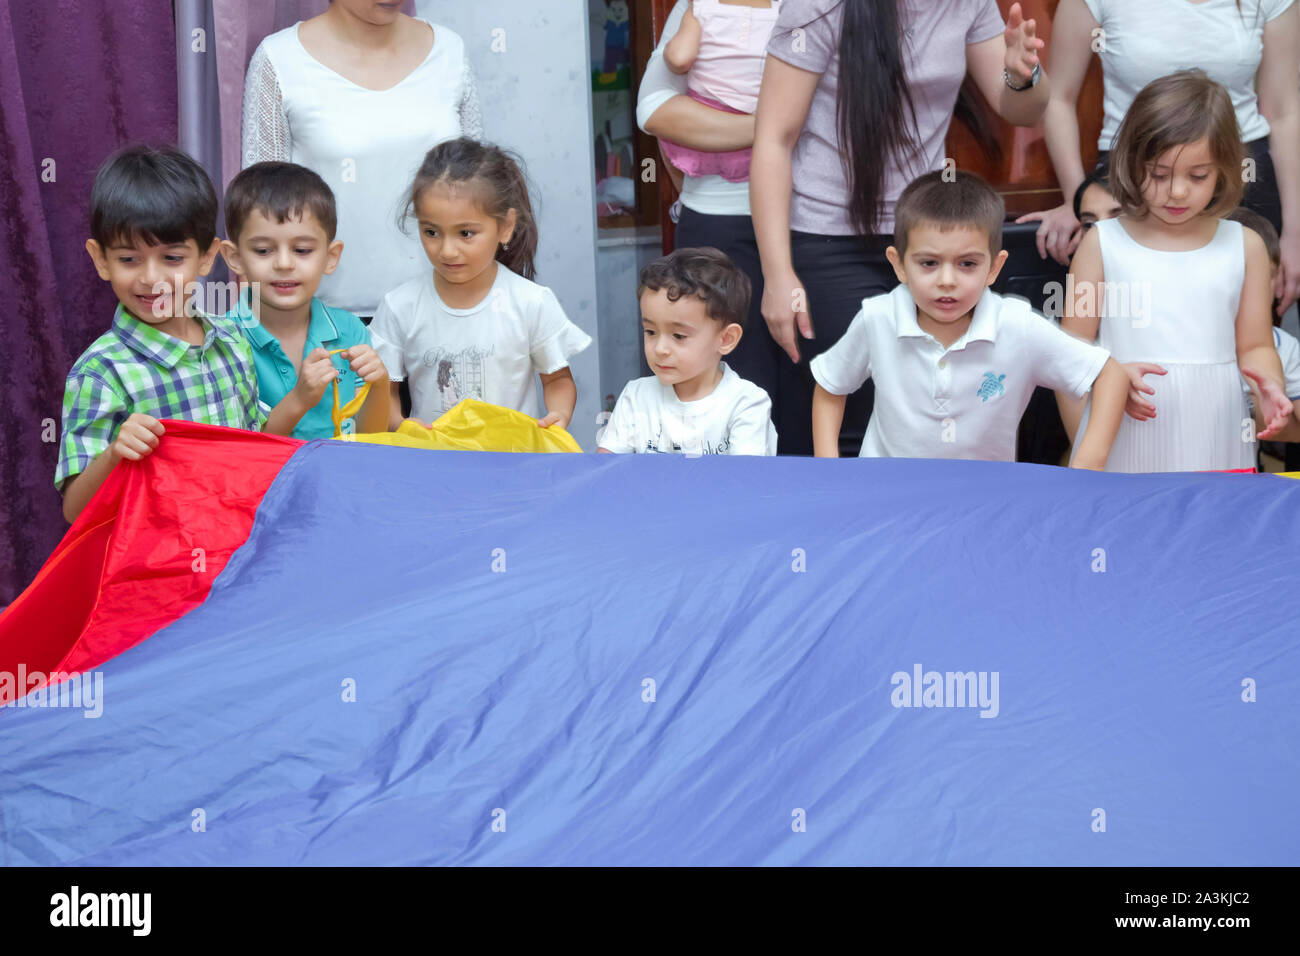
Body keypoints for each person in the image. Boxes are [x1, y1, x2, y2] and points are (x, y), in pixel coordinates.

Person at [752, 0, 1051, 456]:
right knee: (852, 415)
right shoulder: (819, 6)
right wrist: (777, 274)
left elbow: (1022, 110)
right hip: (827, 238)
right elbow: (774, 139)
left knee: (926, 417)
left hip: (924, 238)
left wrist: (1022, 73)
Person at [810, 170, 1126, 467]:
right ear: (900, 264)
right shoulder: (877, 318)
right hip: (888, 499)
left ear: (994, 268)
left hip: (983, 504)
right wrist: (830, 467)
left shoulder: (1018, 325)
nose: (947, 280)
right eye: (929, 263)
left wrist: (1088, 465)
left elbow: (1109, 374)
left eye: (967, 264)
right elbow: (830, 386)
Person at [1061, 71, 1293, 473]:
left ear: (1225, 169)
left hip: (1217, 436)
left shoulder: (1246, 246)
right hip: (1125, 436)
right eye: (1159, 174)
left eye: (1197, 175)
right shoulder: (1101, 243)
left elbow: (1255, 346)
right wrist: (1085, 441)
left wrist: (1268, 386)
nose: (1178, 191)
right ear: (1132, 164)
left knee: (1213, 530)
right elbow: (1070, 353)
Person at [57, 146, 301, 523]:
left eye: (172, 258)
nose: (151, 278)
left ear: (206, 257)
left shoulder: (232, 341)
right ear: (101, 259)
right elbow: (74, 511)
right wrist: (114, 455)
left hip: (240, 543)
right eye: (128, 259)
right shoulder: (101, 373)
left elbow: (256, 442)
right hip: (159, 567)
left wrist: (302, 398)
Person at [1015, 0, 1300, 320]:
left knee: (1245, 330)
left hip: (1241, 179)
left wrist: (1295, 231)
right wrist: (1078, 200)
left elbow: (1284, 111)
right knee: (1137, 321)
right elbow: (1059, 98)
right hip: (1134, 177)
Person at [241, 0, 483, 320]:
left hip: (447, 310)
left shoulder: (450, 51)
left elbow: (481, 190)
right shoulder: (280, 59)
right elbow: (259, 209)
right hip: (326, 322)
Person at [369, 138, 591, 432]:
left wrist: (558, 415)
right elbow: (385, 392)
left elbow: (557, 380)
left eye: (466, 233)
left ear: (505, 226)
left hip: (513, 464)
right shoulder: (399, 307)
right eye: (432, 231)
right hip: (435, 466)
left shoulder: (531, 302)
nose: (447, 250)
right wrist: (399, 424)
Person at [637, 1, 779, 433]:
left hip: (814, 225)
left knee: (807, 386)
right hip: (718, 224)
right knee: (716, 392)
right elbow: (656, 110)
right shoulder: (702, 4)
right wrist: (775, 126)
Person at [220, 162, 391, 439]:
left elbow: (369, 436)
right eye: (263, 250)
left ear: (331, 257)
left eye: (302, 250)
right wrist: (299, 400)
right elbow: (238, 447)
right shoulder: (222, 341)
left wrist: (380, 385)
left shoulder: (350, 331)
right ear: (235, 258)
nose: (284, 263)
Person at [598, 247, 777, 455]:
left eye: (679, 336)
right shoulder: (636, 396)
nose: (660, 349)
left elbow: (743, 482)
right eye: (650, 331)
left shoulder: (746, 404)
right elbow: (607, 470)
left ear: (726, 339)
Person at [1226, 207, 1300, 450]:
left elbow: (1293, 432)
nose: (1248, 287)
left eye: (1261, 276)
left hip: (1241, 476)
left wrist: (1261, 403)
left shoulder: (1285, 347)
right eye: (1235, 275)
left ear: (1279, 284)